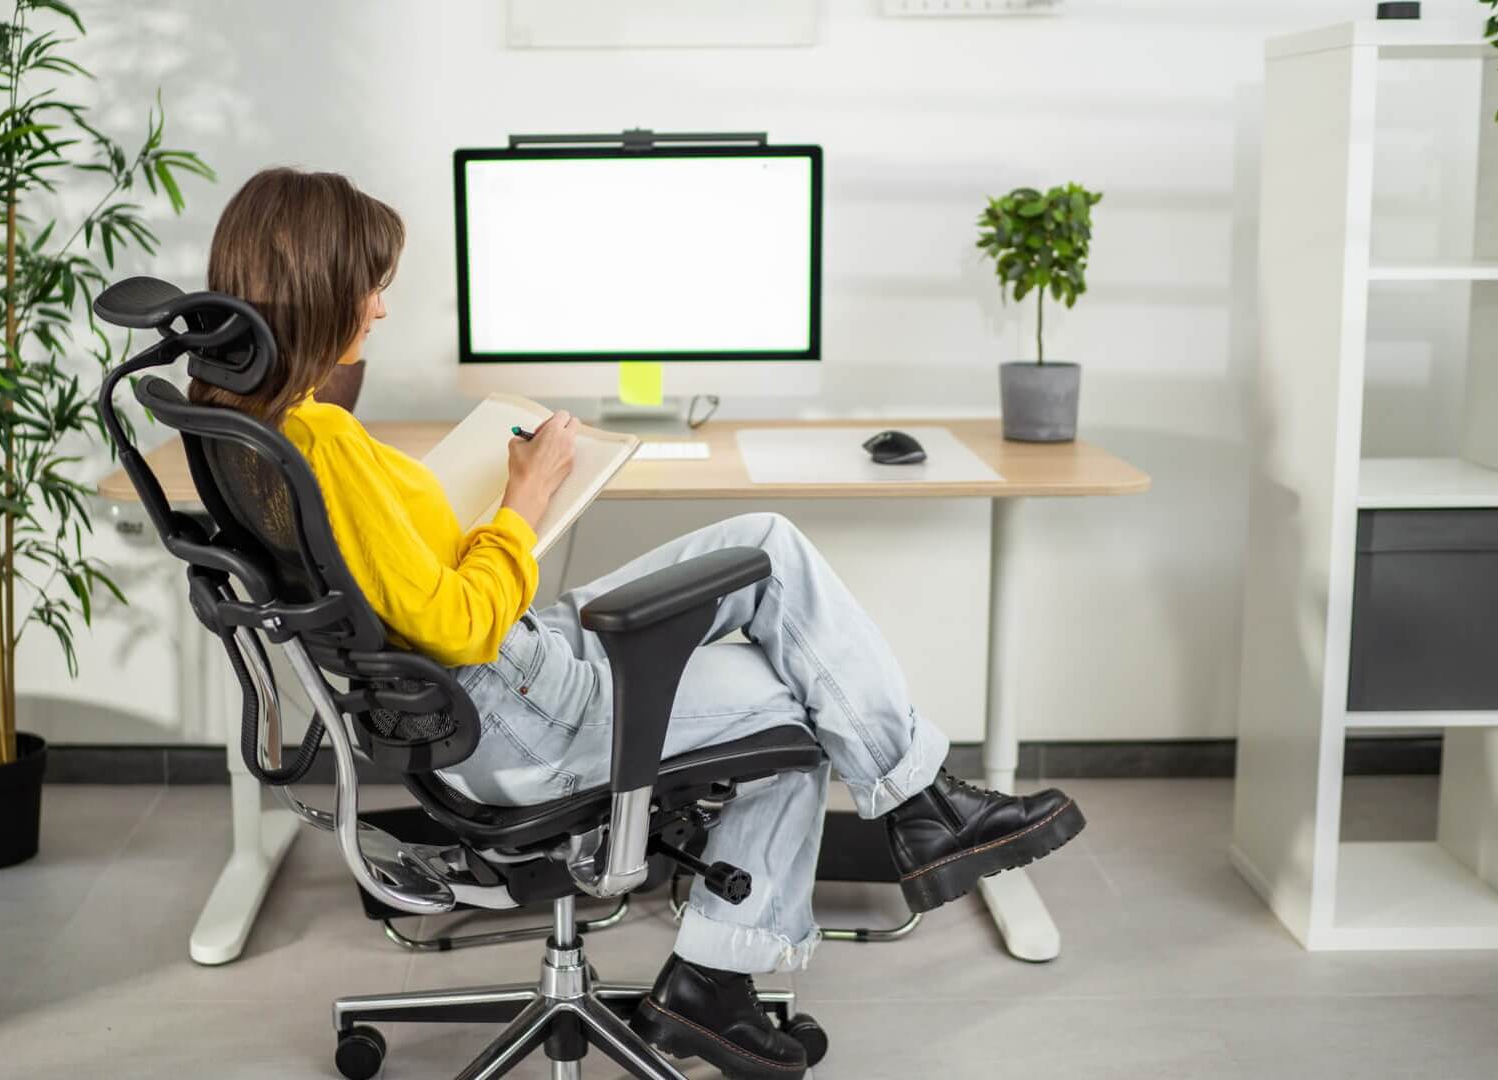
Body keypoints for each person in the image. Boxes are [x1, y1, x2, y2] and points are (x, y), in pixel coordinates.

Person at [190, 167, 1086, 1079]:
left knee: (767, 544)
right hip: (516, 709)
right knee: (803, 696)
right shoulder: (327, 444)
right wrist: (525, 502)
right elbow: (455, 627)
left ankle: (904, 820)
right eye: (369, 285)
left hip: (492, 685)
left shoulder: (255, 426)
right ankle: (731, 972)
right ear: (316, 287)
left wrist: (485, 517)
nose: (379, 310)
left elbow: (402, 584)